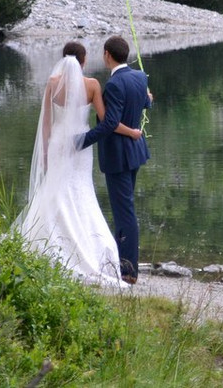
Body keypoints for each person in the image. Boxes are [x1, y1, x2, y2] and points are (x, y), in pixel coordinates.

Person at [15, 41, 141, 288]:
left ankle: (47, 242)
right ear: (83, 61)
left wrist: (45, 154)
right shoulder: (92, 85)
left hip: (59, 144)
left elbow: (46, 125)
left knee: (55, 190)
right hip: (81, 148)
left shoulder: (52, 84)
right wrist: (132, 132)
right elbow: (109, 123)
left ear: (63, 60)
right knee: (81, 191)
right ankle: (90, 248)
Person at [76, 35, 152, 285]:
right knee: (125, 208)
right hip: (135, 151)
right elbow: (146, 104)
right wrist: (147, 97)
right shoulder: (140, 77)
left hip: (119, 156)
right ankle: (125, 264)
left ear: (107, 54)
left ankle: (129, 271)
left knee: (124, 212)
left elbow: (109, 123)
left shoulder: (115, 84)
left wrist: (80, 142)